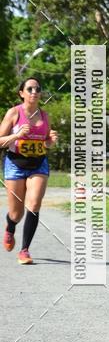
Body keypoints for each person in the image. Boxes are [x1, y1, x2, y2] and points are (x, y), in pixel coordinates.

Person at [0, 76, 58, 264]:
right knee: (16, 214)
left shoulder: (45, 116)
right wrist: (17, 135)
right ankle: (10, 228)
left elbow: (46, 142)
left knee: (33, 205)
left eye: (38, 89)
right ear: (22, 93)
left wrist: (50, 142)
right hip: (15, 164)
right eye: (30, 89)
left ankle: (24, 250)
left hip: (38, 164)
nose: (35, 92)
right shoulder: (14, 113)